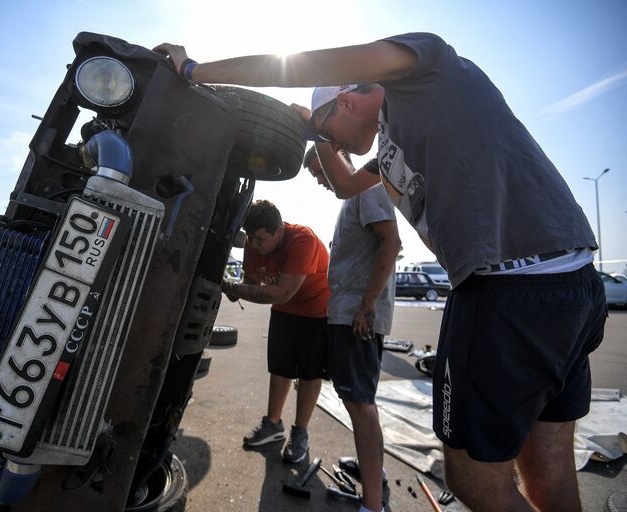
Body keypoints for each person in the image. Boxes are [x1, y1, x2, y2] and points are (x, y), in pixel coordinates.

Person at [155, 34, 606, 512]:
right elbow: (346, 184)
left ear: (346, 99)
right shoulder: (389, 147)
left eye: (331, 131)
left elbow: (303, 67)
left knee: (475, 480)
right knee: (547, 466)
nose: (332, 145)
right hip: (569, 286)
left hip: (506, 288)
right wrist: (314, 129)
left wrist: (193, 71)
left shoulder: (427, 72)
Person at [307, 147, 399, 512]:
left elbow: (391, 243)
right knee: (358, 402)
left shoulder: (366, 189)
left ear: (337, 157)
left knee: (361, 406)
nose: (319, 179)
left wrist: (366, 306)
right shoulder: (353, 198)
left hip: (356, 317)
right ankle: (371, 474)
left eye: (320, 170)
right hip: (347, 312)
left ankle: (372, 505)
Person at [221, 199, 330, 464]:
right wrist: (231, 287)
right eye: (251, 239)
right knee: (280, 368)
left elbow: (282, 292)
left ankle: (300, 432)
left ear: (278, 230)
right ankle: (273, 424)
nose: (254, 245)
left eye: (260, 239)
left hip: (317, 309)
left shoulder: (302, 239)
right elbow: (250, 283)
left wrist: (234, 289)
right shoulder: (252, 243)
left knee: (309, 372)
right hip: (284, 310)